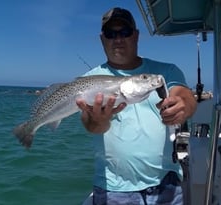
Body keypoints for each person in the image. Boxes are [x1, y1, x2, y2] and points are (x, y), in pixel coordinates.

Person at [76, 7, 197, 205]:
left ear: (136, 35)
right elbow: (91, 125)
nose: (118, 39)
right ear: (102, 39)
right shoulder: (88, 82)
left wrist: (183, 105)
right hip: (114, 189)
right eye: (110, 33)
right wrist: (97, 120)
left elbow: (184, 95)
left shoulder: (164, 72)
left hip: (166, 184)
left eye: (125, 32)